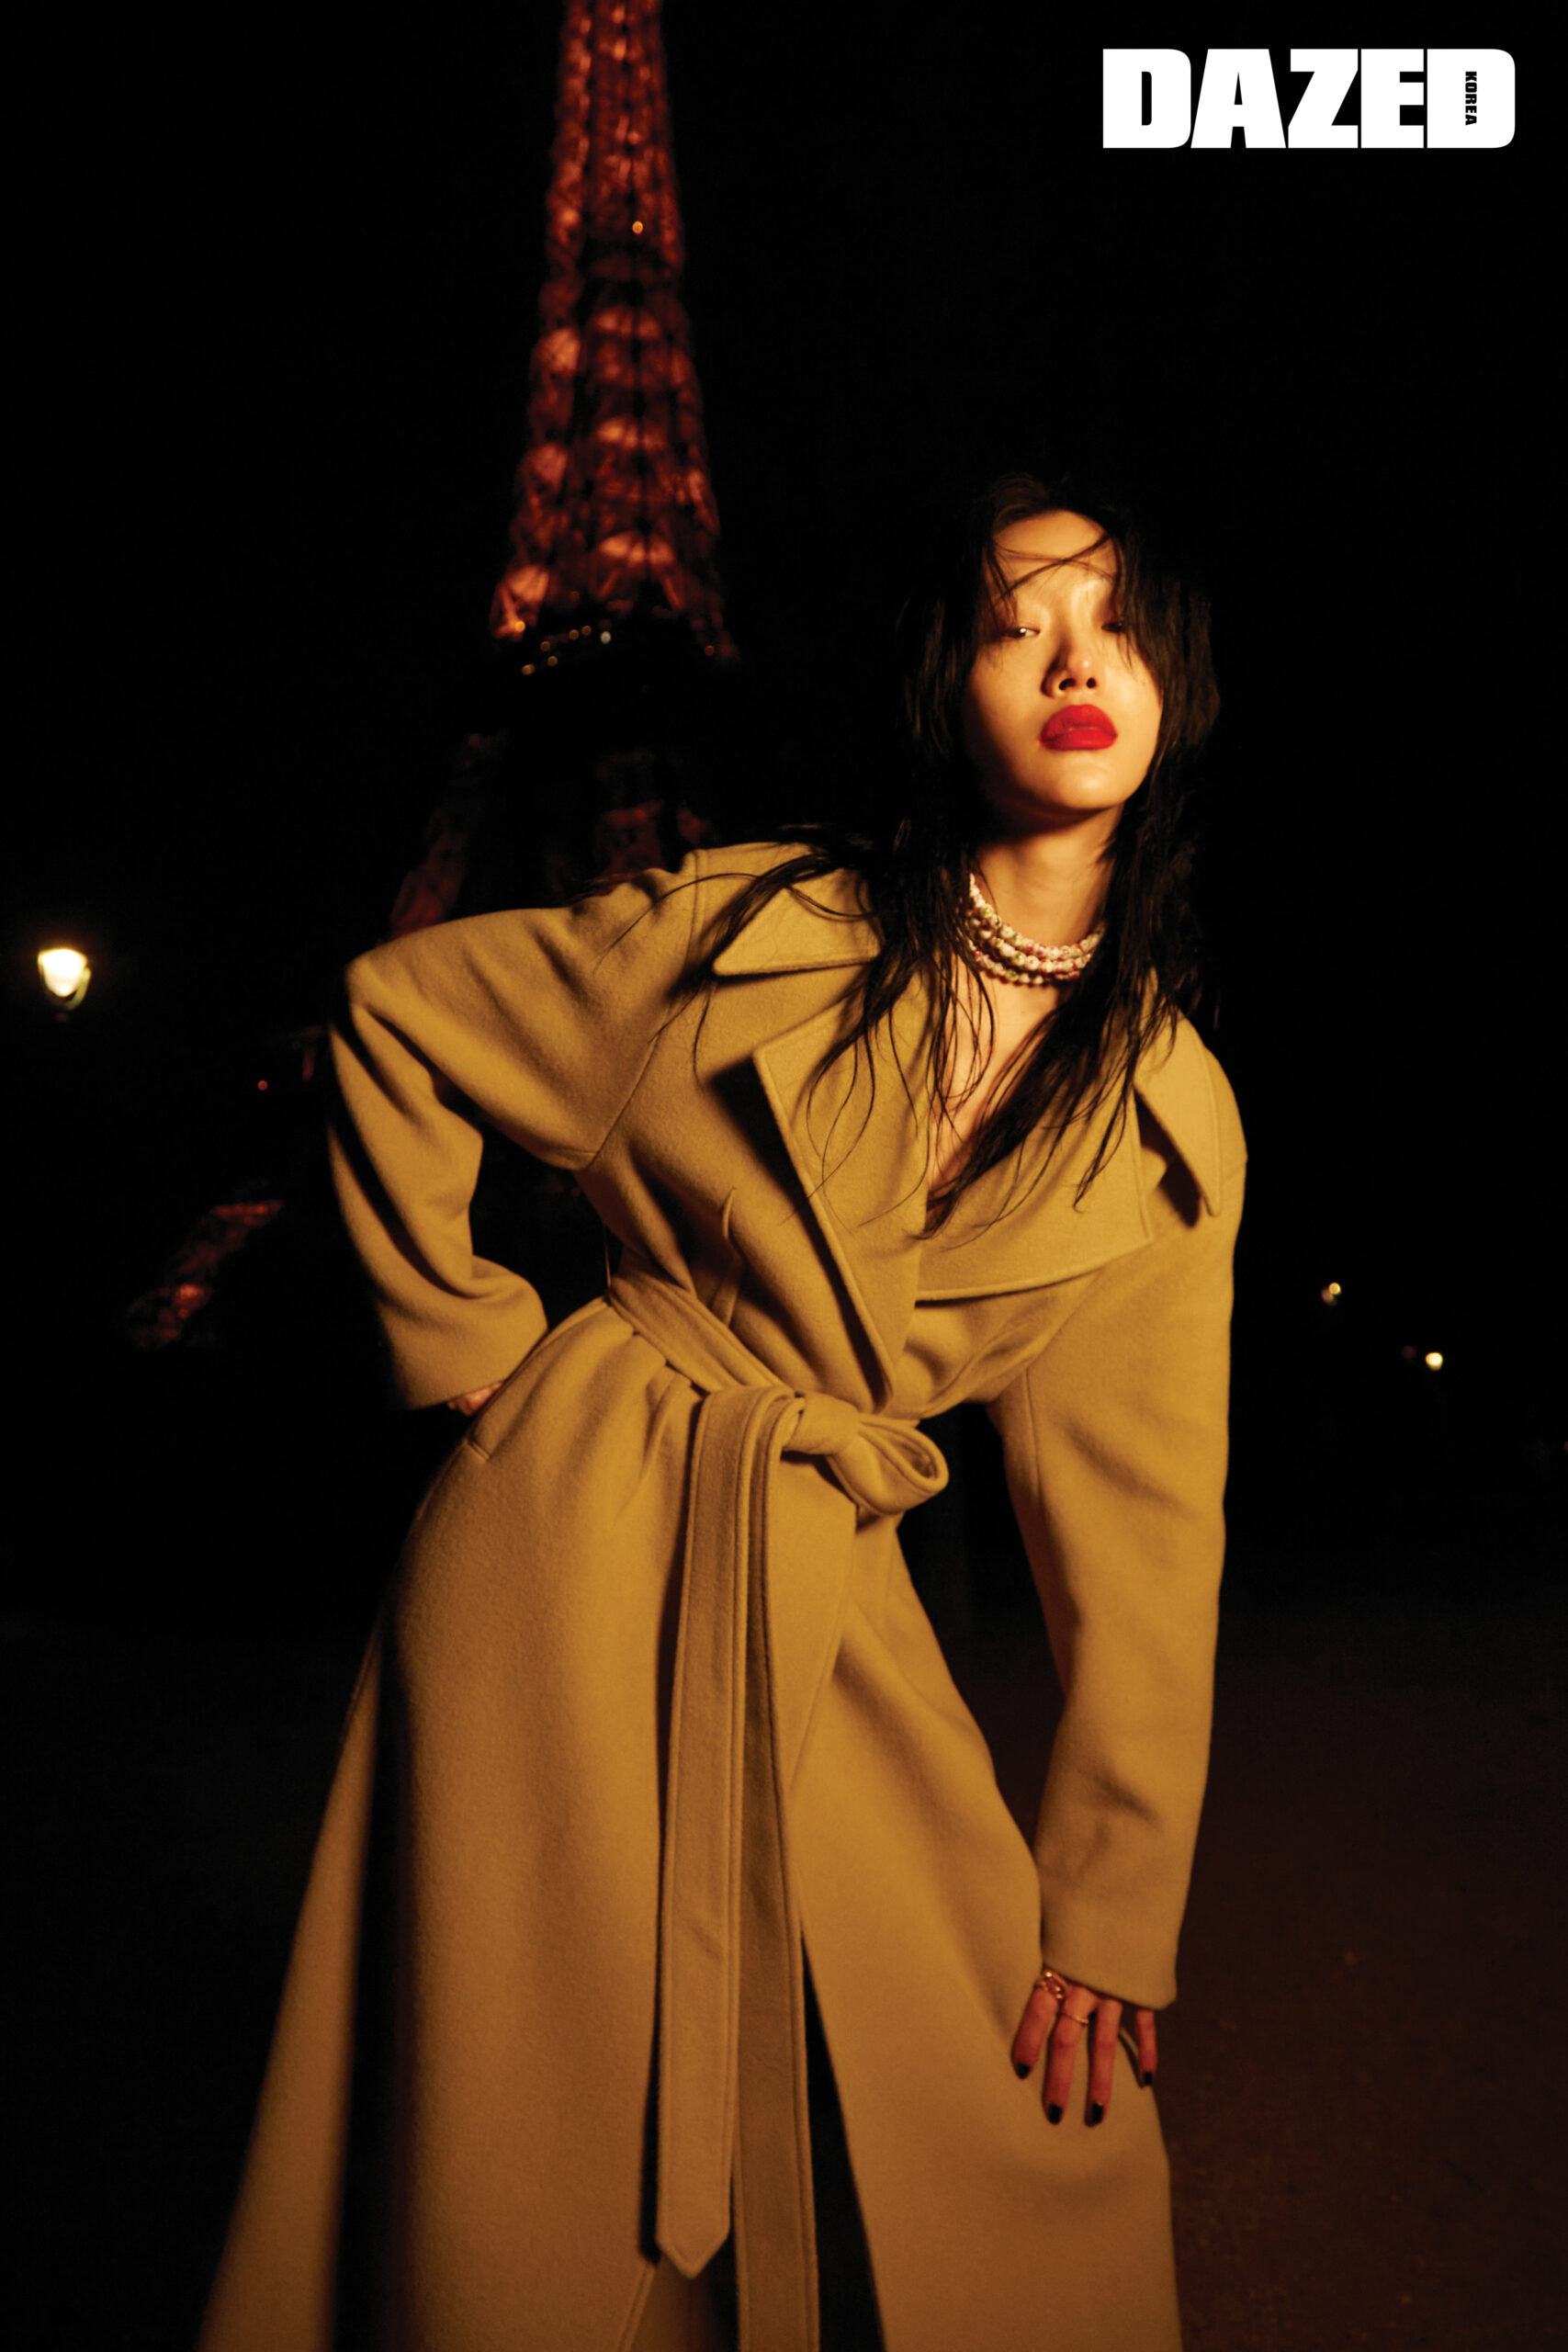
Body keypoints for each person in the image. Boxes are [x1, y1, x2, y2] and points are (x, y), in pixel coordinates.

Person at [197, 469, 1246, 2352]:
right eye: (1015, 626)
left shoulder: (1165, 1116)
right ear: (947, 690)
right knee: (526, 2111)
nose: (1074, 665)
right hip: (565, 1538)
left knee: (1003, 2093)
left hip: (826, 1562)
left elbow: (1140, 1533)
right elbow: (399, 1011)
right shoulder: (742, 927)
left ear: (1178, 687)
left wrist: (1112, 1901)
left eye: (1118, 628)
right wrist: (478, 1350)